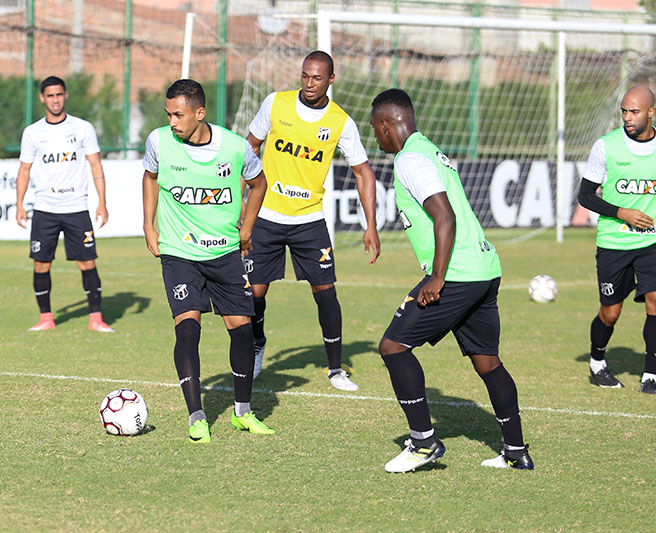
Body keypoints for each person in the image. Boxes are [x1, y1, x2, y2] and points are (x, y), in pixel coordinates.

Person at [370, 89, 533, 473]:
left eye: (374, 129)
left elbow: (444, 215)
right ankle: (515, 451)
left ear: (386, 125)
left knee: (393, 346)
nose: (375, 137)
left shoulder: (410, 159)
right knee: (487, 362)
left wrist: (438, 277)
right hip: (484, 269)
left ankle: (423, 443)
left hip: (457, 274)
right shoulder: (429, 149)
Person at [142, 79, 273, 443]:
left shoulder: (234, 147)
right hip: (179, 251)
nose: (172, 122)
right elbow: (150, 178)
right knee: (187, 328)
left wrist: (247, 228)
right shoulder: (158, 142)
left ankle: (243, 413)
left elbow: (259, 184)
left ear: (199, 113)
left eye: (179, 115)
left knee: (242, 329)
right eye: (168, 114)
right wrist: (148, 225)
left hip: (224, 251)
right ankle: (197, 417)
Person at [246, 50, 380, 390]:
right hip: (266, 215)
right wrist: (240, 203)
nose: (309, 83)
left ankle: (335, 370)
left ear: (330, 80)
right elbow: (249, 148)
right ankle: (257, 345)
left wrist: (371, 225)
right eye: (305, 75)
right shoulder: (275, 103)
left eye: (317, 78)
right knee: (254, 294)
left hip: (309, 220)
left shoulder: (340, 122)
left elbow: (363, 172)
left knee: (325, 292)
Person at [15, 76, 113, 333]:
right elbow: (24, 170)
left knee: (87, 262)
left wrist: (102, 202)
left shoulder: (83, 128)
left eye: (59, 94)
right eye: (50, 95)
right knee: (41, 264)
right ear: (42, 98)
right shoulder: (33, 132)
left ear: (66, 95)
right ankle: (46, 318)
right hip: (45, 209)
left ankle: (96, 319)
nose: (55, 100)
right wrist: (19, 204)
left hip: (76, 208)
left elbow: (96, 166)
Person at [577, 84, 656, 394]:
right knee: (610, 313)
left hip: (651, 243)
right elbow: (585, 196)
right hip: (614, 244)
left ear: (651, 112)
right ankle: (597, 362)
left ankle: (651, 373)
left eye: (634, 111)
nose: (627, 117)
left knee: (655, 302)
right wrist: (621, 212)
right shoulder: (606, 146)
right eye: (624, 111)